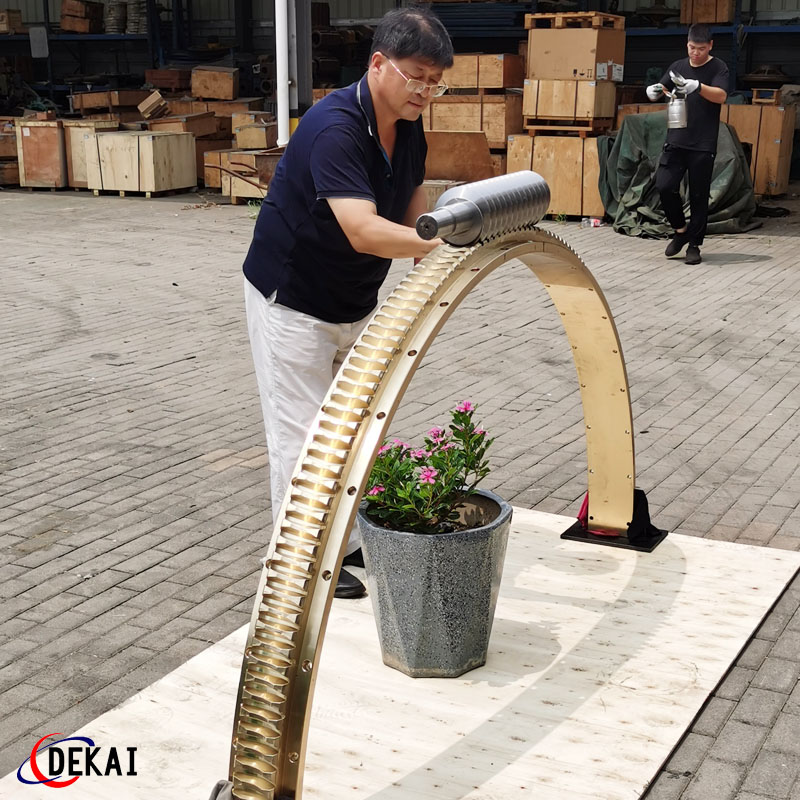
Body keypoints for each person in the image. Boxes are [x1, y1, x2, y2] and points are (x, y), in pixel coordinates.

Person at [242, 8, 452, 598]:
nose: (425, 92)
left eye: (436, 82)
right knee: (303, 437)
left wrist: (424, 253)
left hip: (353, 298)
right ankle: (301, 564)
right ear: (378, 63)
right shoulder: (335, 126)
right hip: (293, 300)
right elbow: (361, 229)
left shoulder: (407, 124)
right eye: (416, 77)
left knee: (350, 427)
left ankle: (347, 541)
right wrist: (435, 243)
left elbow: (411, 193)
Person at [646, 23, 728, 265]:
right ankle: (680, 231)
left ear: (710, 46)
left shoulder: (719, 67)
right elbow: (663, 87)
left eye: (701, 49)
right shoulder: (678, 67)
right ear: (687, 44)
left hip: (703, 142)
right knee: (664, 185)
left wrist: (698, 87)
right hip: (676, 139)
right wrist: (654, 91)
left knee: (699, 195)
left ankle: (694, 245)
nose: (696, 53)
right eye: (692, 47)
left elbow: (721, 96)